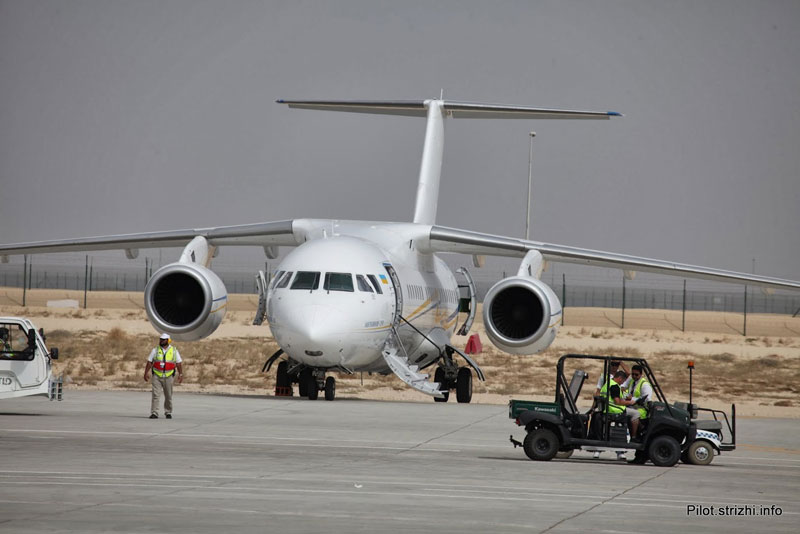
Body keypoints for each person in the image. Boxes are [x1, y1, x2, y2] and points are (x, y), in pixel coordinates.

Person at [144, 333, 183, 419]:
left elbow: (178, 363)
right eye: (160, 339)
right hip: (157, 376)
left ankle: (168, 412)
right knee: (155, 395)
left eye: (163, 339)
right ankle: (154, 412)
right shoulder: (155, 350)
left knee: (168, 395)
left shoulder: (174, 350)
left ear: (168, 340)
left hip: (169, 376)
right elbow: (149, 362)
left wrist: (180, 374)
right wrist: (146, 373)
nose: (161, 341)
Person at [605, 370, 643, 439]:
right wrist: (630, 402)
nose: (622, 383)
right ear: (620, 378)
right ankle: (634, 437)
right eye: (622, 381)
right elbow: (617, 402)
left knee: (631, 411)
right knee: (636, 413)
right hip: (614, 409)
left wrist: (625, 400)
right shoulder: (614, 386)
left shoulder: (609, 383)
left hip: (609, 407)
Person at [625, 364, 652, 434]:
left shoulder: (644, 385)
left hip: (641, 409)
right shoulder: (631, 380)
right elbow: (622, 385)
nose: (634, 376)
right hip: (630, 405)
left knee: (632, 414)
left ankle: (636, 434)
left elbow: (647, 399)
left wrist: (632, 398)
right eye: (632, 374)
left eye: (636, 375)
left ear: (641, 374)